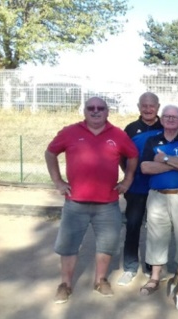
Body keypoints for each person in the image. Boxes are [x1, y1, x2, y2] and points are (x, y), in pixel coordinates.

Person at [45, 97, 138, 303]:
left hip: (107, 203)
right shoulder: (69, 132)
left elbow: (133, 156)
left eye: (100, 108)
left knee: (107, 244)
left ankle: (100, 280)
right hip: (75, 202)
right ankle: (65, 285)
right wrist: (58, 181)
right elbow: (50, 153)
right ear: (84, 110)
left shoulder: (117, 135)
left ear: (108, 111)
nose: (96, 111)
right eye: (91, 108)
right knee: (69, 245)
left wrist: (127, 180)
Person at [139, 105, 178, 296]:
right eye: (167, 116)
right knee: (156, 236)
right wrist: (175, 164)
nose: (171, 119)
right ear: (161, 119)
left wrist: (163, 159)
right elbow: (146, 167)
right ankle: (155, 276)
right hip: (157, 196)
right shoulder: (152, 140)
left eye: (175, 117)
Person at [117, 92, 164, 286]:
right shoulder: (130, 128)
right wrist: (130, 176)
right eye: (144, 105)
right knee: (133, 226)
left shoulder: (166, 126)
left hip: (157, 188)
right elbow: (121, 156)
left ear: (158, 107)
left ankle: (151, 266)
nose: (148, 109)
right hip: (135, 188)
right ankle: (129, 267)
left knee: (156, 229)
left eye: (151, 105)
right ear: (138, 107)